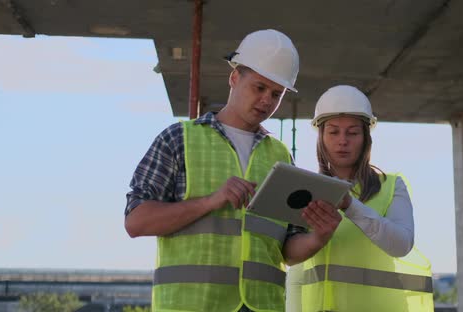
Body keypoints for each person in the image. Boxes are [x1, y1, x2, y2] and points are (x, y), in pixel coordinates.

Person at [124, 29, 341, 312]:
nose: (267, 100)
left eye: (276, 94)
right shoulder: (178, 139)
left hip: (262, 306)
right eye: (259, 88)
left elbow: (286, 250)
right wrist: (210, 201)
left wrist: (318, 237)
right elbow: (136, 222)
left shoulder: (280, 155)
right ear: (234, 78)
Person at [286, 85, 434, 312]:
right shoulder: (305, 191)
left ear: (366, 137)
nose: (342, 140)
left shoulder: (392, 186)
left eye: (352, 132)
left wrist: (350, 205)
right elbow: (296, 273)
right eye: (333, 132)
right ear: (321, 136)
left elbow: (402, 244)